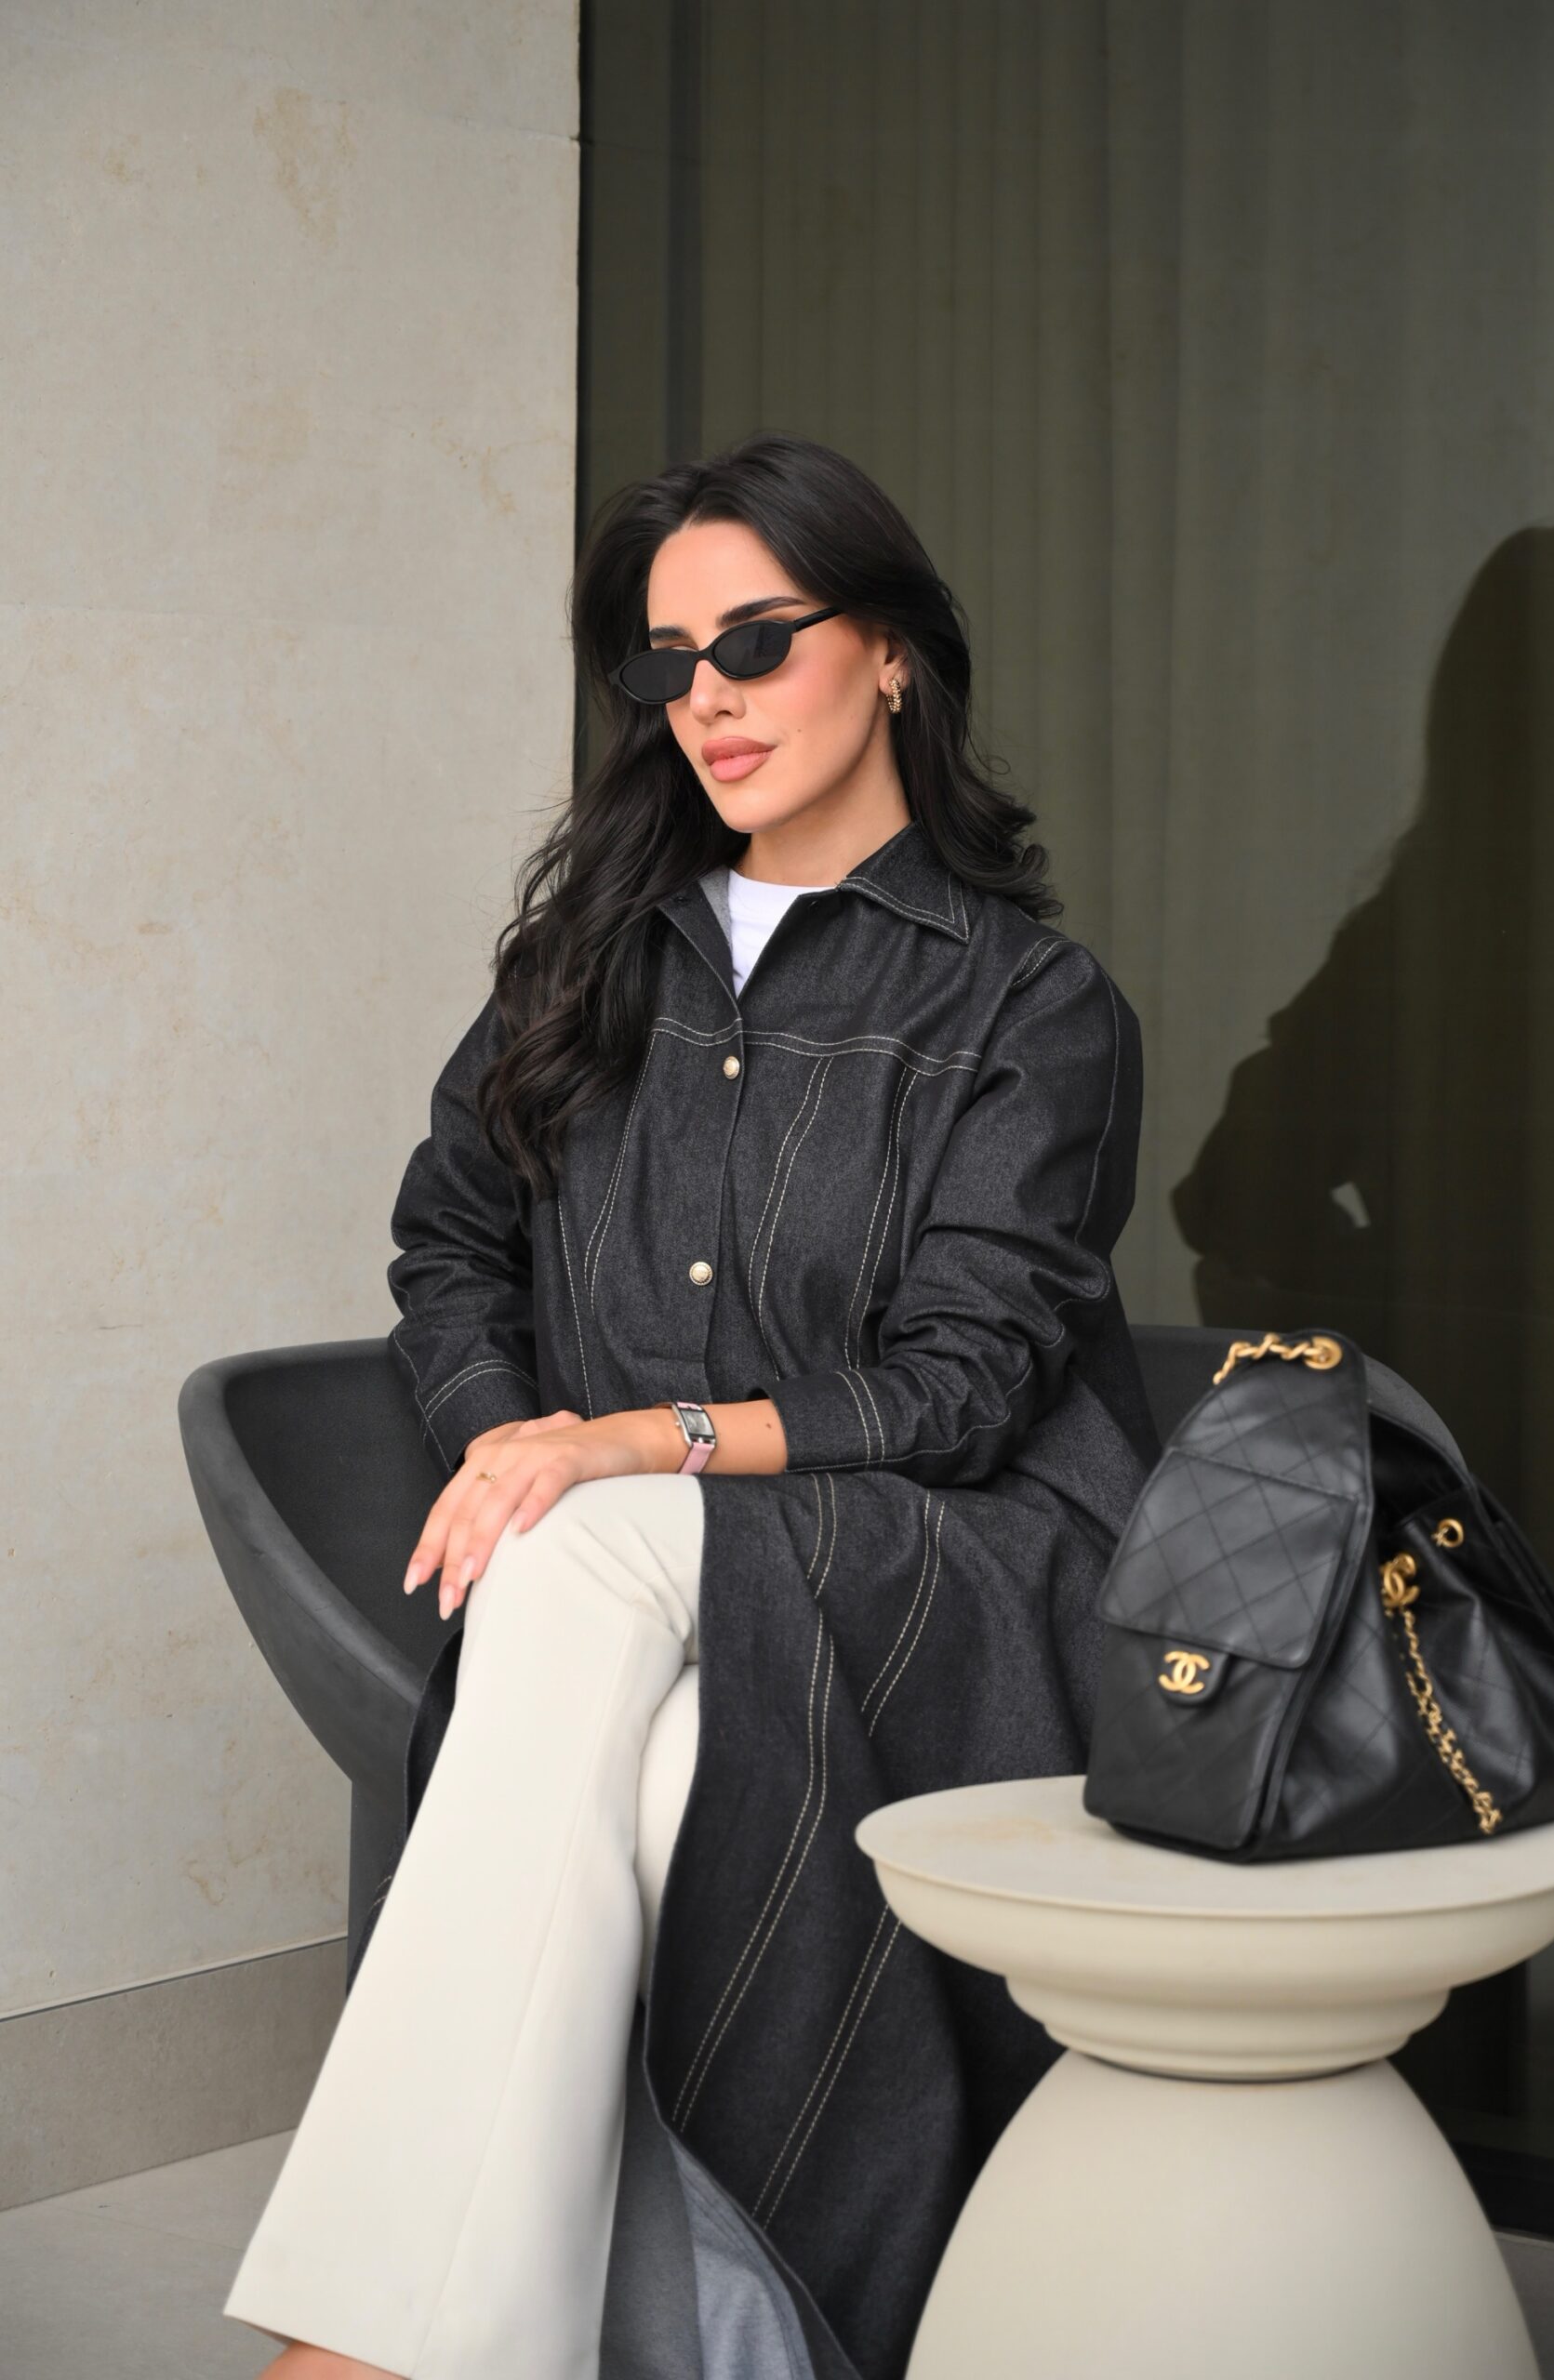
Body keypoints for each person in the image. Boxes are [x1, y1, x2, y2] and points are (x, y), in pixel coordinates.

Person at [221, 430, 1158, 2380]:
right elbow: (448, 1248)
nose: (706, 698)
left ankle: (355, 2347)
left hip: (939, 1567)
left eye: (754, 641)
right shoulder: (587, 967)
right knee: (653, 1784)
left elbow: (968, 1387)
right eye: (664, 662)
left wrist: (621, 1446)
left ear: (888, 651)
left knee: (578, 1552)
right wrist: (511, 1428)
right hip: (637, 1602)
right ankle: (642, 2333)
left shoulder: (1026, 1001)